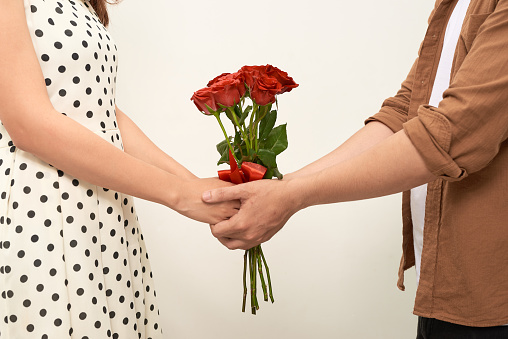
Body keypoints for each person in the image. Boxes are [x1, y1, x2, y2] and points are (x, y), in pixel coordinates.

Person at [202, 0, 508, 337]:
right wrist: (279, 187)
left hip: (492, 298)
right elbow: (407, 112)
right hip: (442, 285)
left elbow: (451, 135)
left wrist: (293, 196)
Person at [0, 0, 239, 338]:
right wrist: (179, 195)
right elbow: (28, 123)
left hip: (104, 211)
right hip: (42, 209)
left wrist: (199, 190)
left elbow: (100, 112)